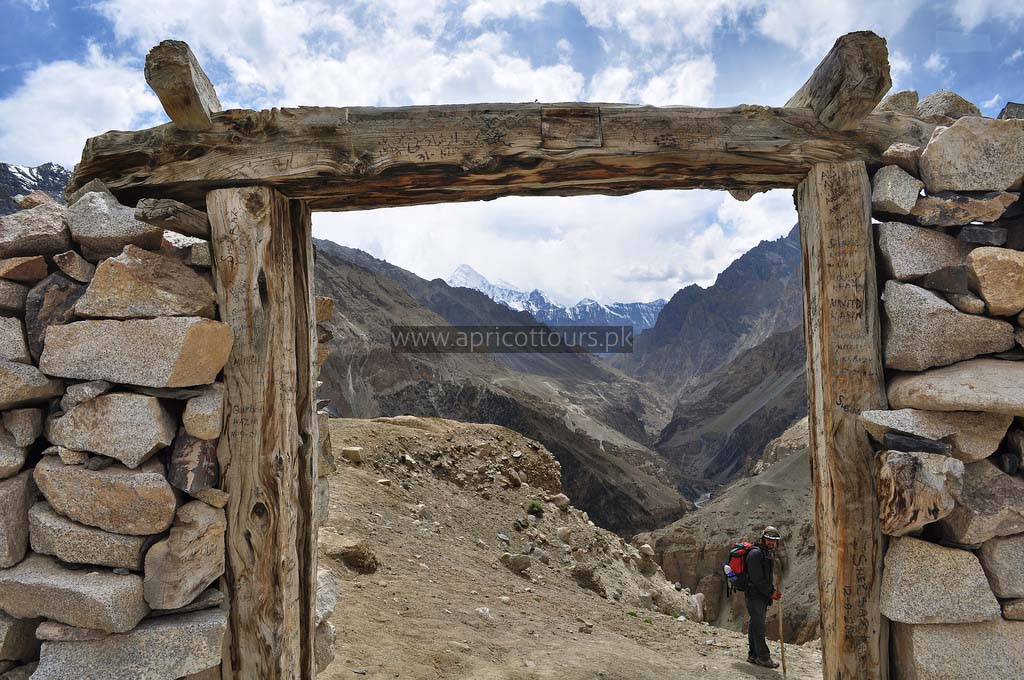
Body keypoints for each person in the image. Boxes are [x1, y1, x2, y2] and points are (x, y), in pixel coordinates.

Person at [745, 525, 782, 669]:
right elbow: (757, 580)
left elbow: (764, 579)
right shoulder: (756, 554)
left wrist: (770, 593)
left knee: (754, 624)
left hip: (760, 596)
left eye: (774, 540)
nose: (771, 542)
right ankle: (763, 657)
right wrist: (770, 592)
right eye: (769, 539)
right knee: (759, 627)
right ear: (763, 539)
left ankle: (753, 655)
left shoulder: (766, 553)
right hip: (754, 596)